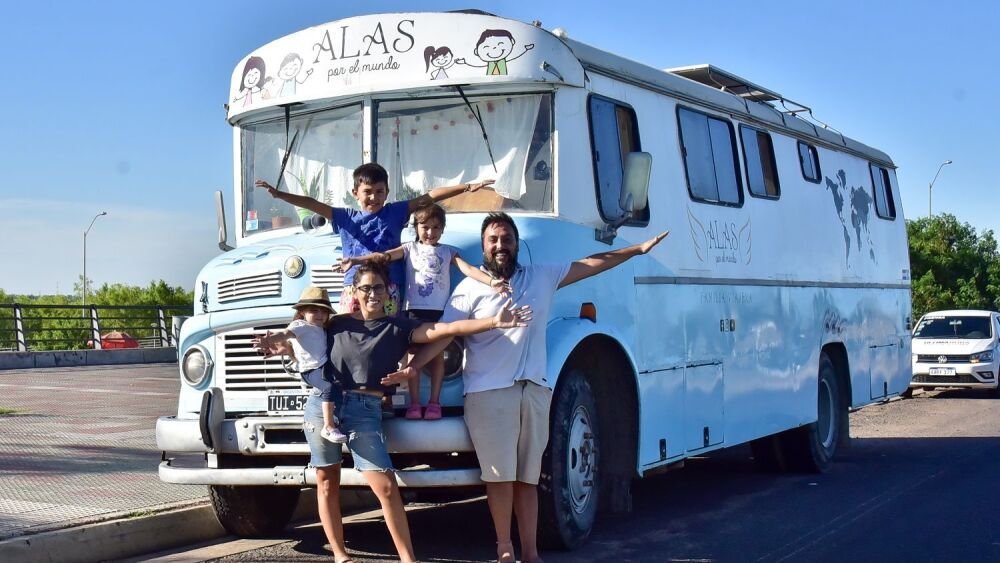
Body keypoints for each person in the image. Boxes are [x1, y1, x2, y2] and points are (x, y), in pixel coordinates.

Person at [390, 213, 668, 563]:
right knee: (499, 477)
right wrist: (412, 366)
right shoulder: (469, 288)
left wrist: (637, 250)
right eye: (493, 240)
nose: (500, 245)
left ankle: (531, 552)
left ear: (516, 244)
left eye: (506, 239)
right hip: (488, 393)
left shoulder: (541, 277)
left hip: (535, 391)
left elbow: (591, 264)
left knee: (528, 478)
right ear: (484, 248)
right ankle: (504, 546)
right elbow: (444, 335)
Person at [255, 262, 532, 563]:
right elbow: (304, 342)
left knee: (386, 488)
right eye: (365, 288)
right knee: (325, 480)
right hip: (323, 410)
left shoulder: (399, 327)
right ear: (354, 292)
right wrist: (280, 348)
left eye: (377, 287)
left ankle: (407, 559)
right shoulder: (336, 324)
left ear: (388, 292)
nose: (372, 294)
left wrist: (493, 322)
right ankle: (339, 554)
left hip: (365, 411)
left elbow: (447, 329)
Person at [255, 163, 495, 315]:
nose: (374, 197)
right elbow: (312, 203)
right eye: (367, 192)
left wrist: (467, 187)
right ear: (355, 194)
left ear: (387, 193)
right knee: (352, 329)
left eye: (379, 191)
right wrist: (280, 195)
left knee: (386, 333)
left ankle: (385, 393)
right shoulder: (345, 216)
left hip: (390, 285)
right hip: (354, 284)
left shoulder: (395, 212)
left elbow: (428, 197)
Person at [341, 203, 509, 420]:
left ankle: (434, 402)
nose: (430, 232)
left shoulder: (448, 252)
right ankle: (414, 404)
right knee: (413, 357)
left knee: (437, 356)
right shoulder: (410, 248)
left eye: (436, 227)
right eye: (425, 227)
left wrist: (492, 282)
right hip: (413, 311)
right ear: (416, 227)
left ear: (442, 229)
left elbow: (469, 270)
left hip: (438, 312)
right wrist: (355, 260)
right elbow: (382, 256)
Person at [253, 286, 346, 443]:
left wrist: (285, 348)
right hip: (310, 370)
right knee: (328, 387)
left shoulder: (322, 329)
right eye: (314, 310)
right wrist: (268, 340)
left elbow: (297, 345)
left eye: (324, 311)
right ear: (302, 311)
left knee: (338, 388)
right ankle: (328, 427)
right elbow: (285, 334)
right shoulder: (300, 326)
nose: (320, 315)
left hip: (324, 367)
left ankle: (338, 420)